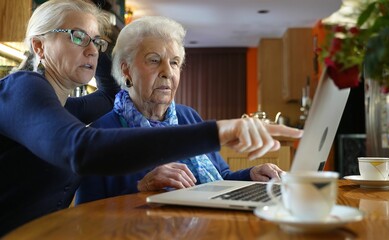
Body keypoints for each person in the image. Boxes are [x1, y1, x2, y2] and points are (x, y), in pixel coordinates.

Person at [0, 0, 302, 236]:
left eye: (96, 42)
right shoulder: (22, 87)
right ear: (38, 45)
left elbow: (109, 91)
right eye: (77, 37)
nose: (92, 50)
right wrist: (219, 130)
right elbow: (82, 149)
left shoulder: (70, 109)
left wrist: (96, 34)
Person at [76, 16, 287, 204]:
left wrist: (252, 174)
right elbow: (85, 214)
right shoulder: (99, 134)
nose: (167, 72)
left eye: (175, 63)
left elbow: (220, 178)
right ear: (126, 69)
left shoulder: (189, 116)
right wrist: (142, 187)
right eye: (154, 60)